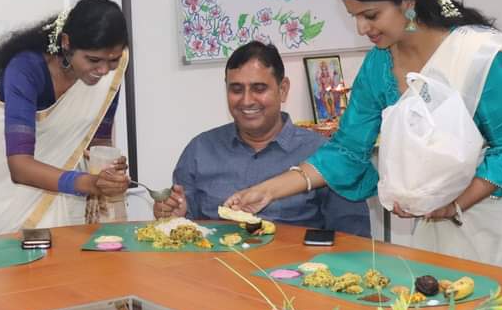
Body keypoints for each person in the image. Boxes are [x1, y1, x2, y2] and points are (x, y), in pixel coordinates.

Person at [224, 0, 502, 276]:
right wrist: (268, 190)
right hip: (443, 218)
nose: (362, 28)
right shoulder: (380, 65)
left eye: (370, 15)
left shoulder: (480, 55)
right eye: (355, 17)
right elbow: (347, 151)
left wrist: (453, 205)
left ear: (407, 4)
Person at [153, 42, 370, 236]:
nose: (247, 101)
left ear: (283, 89)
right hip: (216, 271)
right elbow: (183, 233)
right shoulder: (200, 150)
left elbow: (354, 240)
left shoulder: (324, 155)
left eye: (259, 89)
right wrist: (174, 216)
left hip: (295, 274)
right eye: (236, 89)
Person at [0, 0, 131, 234]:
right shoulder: (25, 69)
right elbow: (20, 167)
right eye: (93, 60)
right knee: (17, 260)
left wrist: (109, 169)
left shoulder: (112, 70)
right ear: (66, 43)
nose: (104, 70)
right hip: (2, 172)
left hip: (68, 177)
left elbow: (97, 139)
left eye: (112, 60)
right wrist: (89, 183)